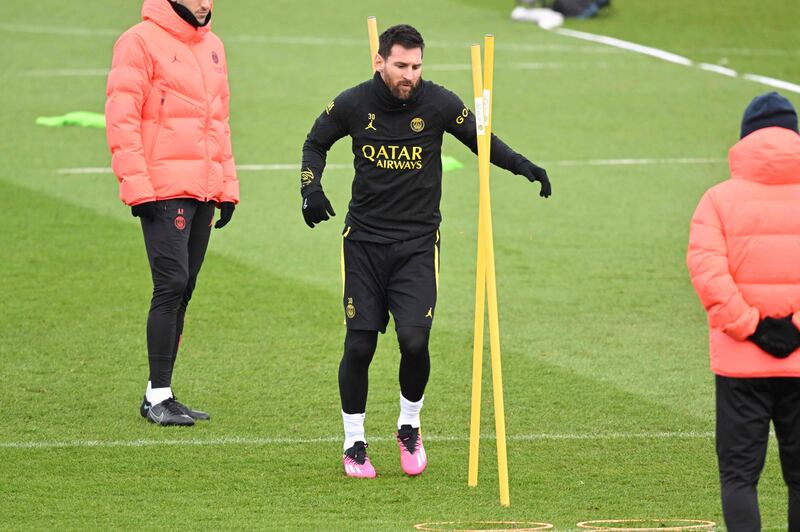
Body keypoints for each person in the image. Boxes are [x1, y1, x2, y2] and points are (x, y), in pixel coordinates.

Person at [300, 24, 551, 478]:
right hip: (364, 243)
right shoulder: (354, 103)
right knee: (360, 345)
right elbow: (316, 141)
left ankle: (409, 425)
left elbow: (480, 138)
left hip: (418, 246)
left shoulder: (438, 103)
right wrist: (310, 188)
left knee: (414, 342)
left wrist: (523, 166)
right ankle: (354, 441)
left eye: (416, 66)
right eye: (400, 65)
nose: (409, 75)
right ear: (379, 62)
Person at [105, 0, 238, 426]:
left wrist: (227, 187)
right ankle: (157, 396)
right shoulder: (137, 42)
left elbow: (220, 122)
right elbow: (121, 119)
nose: (204, 3)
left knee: (185, 288)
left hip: (203, 188)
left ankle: (161, 392)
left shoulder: (213, 45)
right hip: (161, 189)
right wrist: (136, 186)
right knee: (171, 283)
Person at [687, 91, 800, 531]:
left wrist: (752, 327)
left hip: (740, 365)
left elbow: (706, 271)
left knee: (739, 478)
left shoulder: (717, 199)